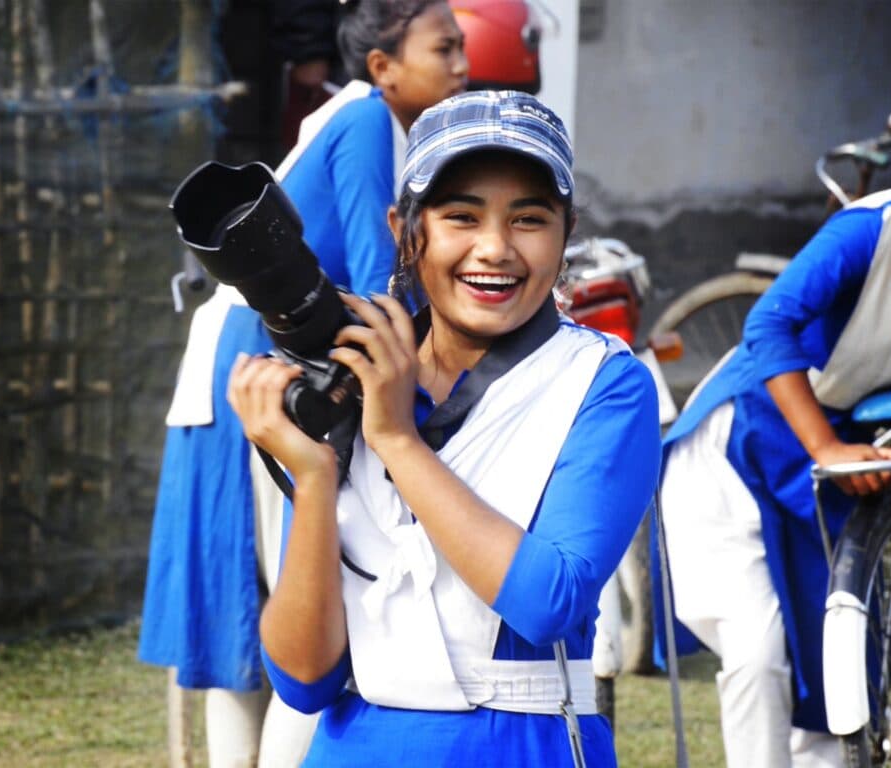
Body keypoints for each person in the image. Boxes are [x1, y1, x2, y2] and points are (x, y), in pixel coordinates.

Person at [226, 90, 661, 767]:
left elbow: (547, 601)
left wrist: (397, 439)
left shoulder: (602, 381)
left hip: (523, 745)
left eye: (529, 219)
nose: (494, 248)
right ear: (405, 229)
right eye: (461, 216)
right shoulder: (356, 372)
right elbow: (304, 681)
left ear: (566, 232)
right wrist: (313, 478)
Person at [138, 2, 468, 766]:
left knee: (262, 592)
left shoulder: (365, 118)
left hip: (264, 350)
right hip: (265, 357)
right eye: (444, 47)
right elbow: (373, 275)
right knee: (283, 588)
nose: (462, 65)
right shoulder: (364, 123)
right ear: (382, 65)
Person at [659, 188, 891, 767]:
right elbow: (767, 326)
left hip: (820, 462)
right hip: (736, 446)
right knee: (758, 654)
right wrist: (827, 447)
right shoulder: (871, 229)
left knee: (832, 663)